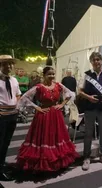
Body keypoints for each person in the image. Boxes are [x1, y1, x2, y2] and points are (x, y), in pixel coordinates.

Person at [16, 66, 79, 172]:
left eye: (53, 74)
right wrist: (36, 107)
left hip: (56, 114)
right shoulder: (39, 87)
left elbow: (71, 94)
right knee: (43, 137)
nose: (51, 76)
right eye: (49, 74)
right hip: (43, 115)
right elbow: (24, 98)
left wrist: (62, 104)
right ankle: (42, 162)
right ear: (44, 75)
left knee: (56, 136)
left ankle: (56, 161)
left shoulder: (58, 85)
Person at [79, 52, 102, 171]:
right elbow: (80, 91)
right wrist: (89, 97)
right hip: (90, 107)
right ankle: (86, 156)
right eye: (93, 60)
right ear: (91, 62)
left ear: (101, 61)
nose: (96, 62)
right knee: (88, 132)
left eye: (98, 60)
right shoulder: (87, 75)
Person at [0, 55, 21, 186]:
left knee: (6, 142)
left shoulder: (13, 80)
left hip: (12, 115)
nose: (8, 66)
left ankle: (1, 164)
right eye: (5, 64)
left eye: (10, 64)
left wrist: (17, 105)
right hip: (1, 115)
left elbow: (18, 94)